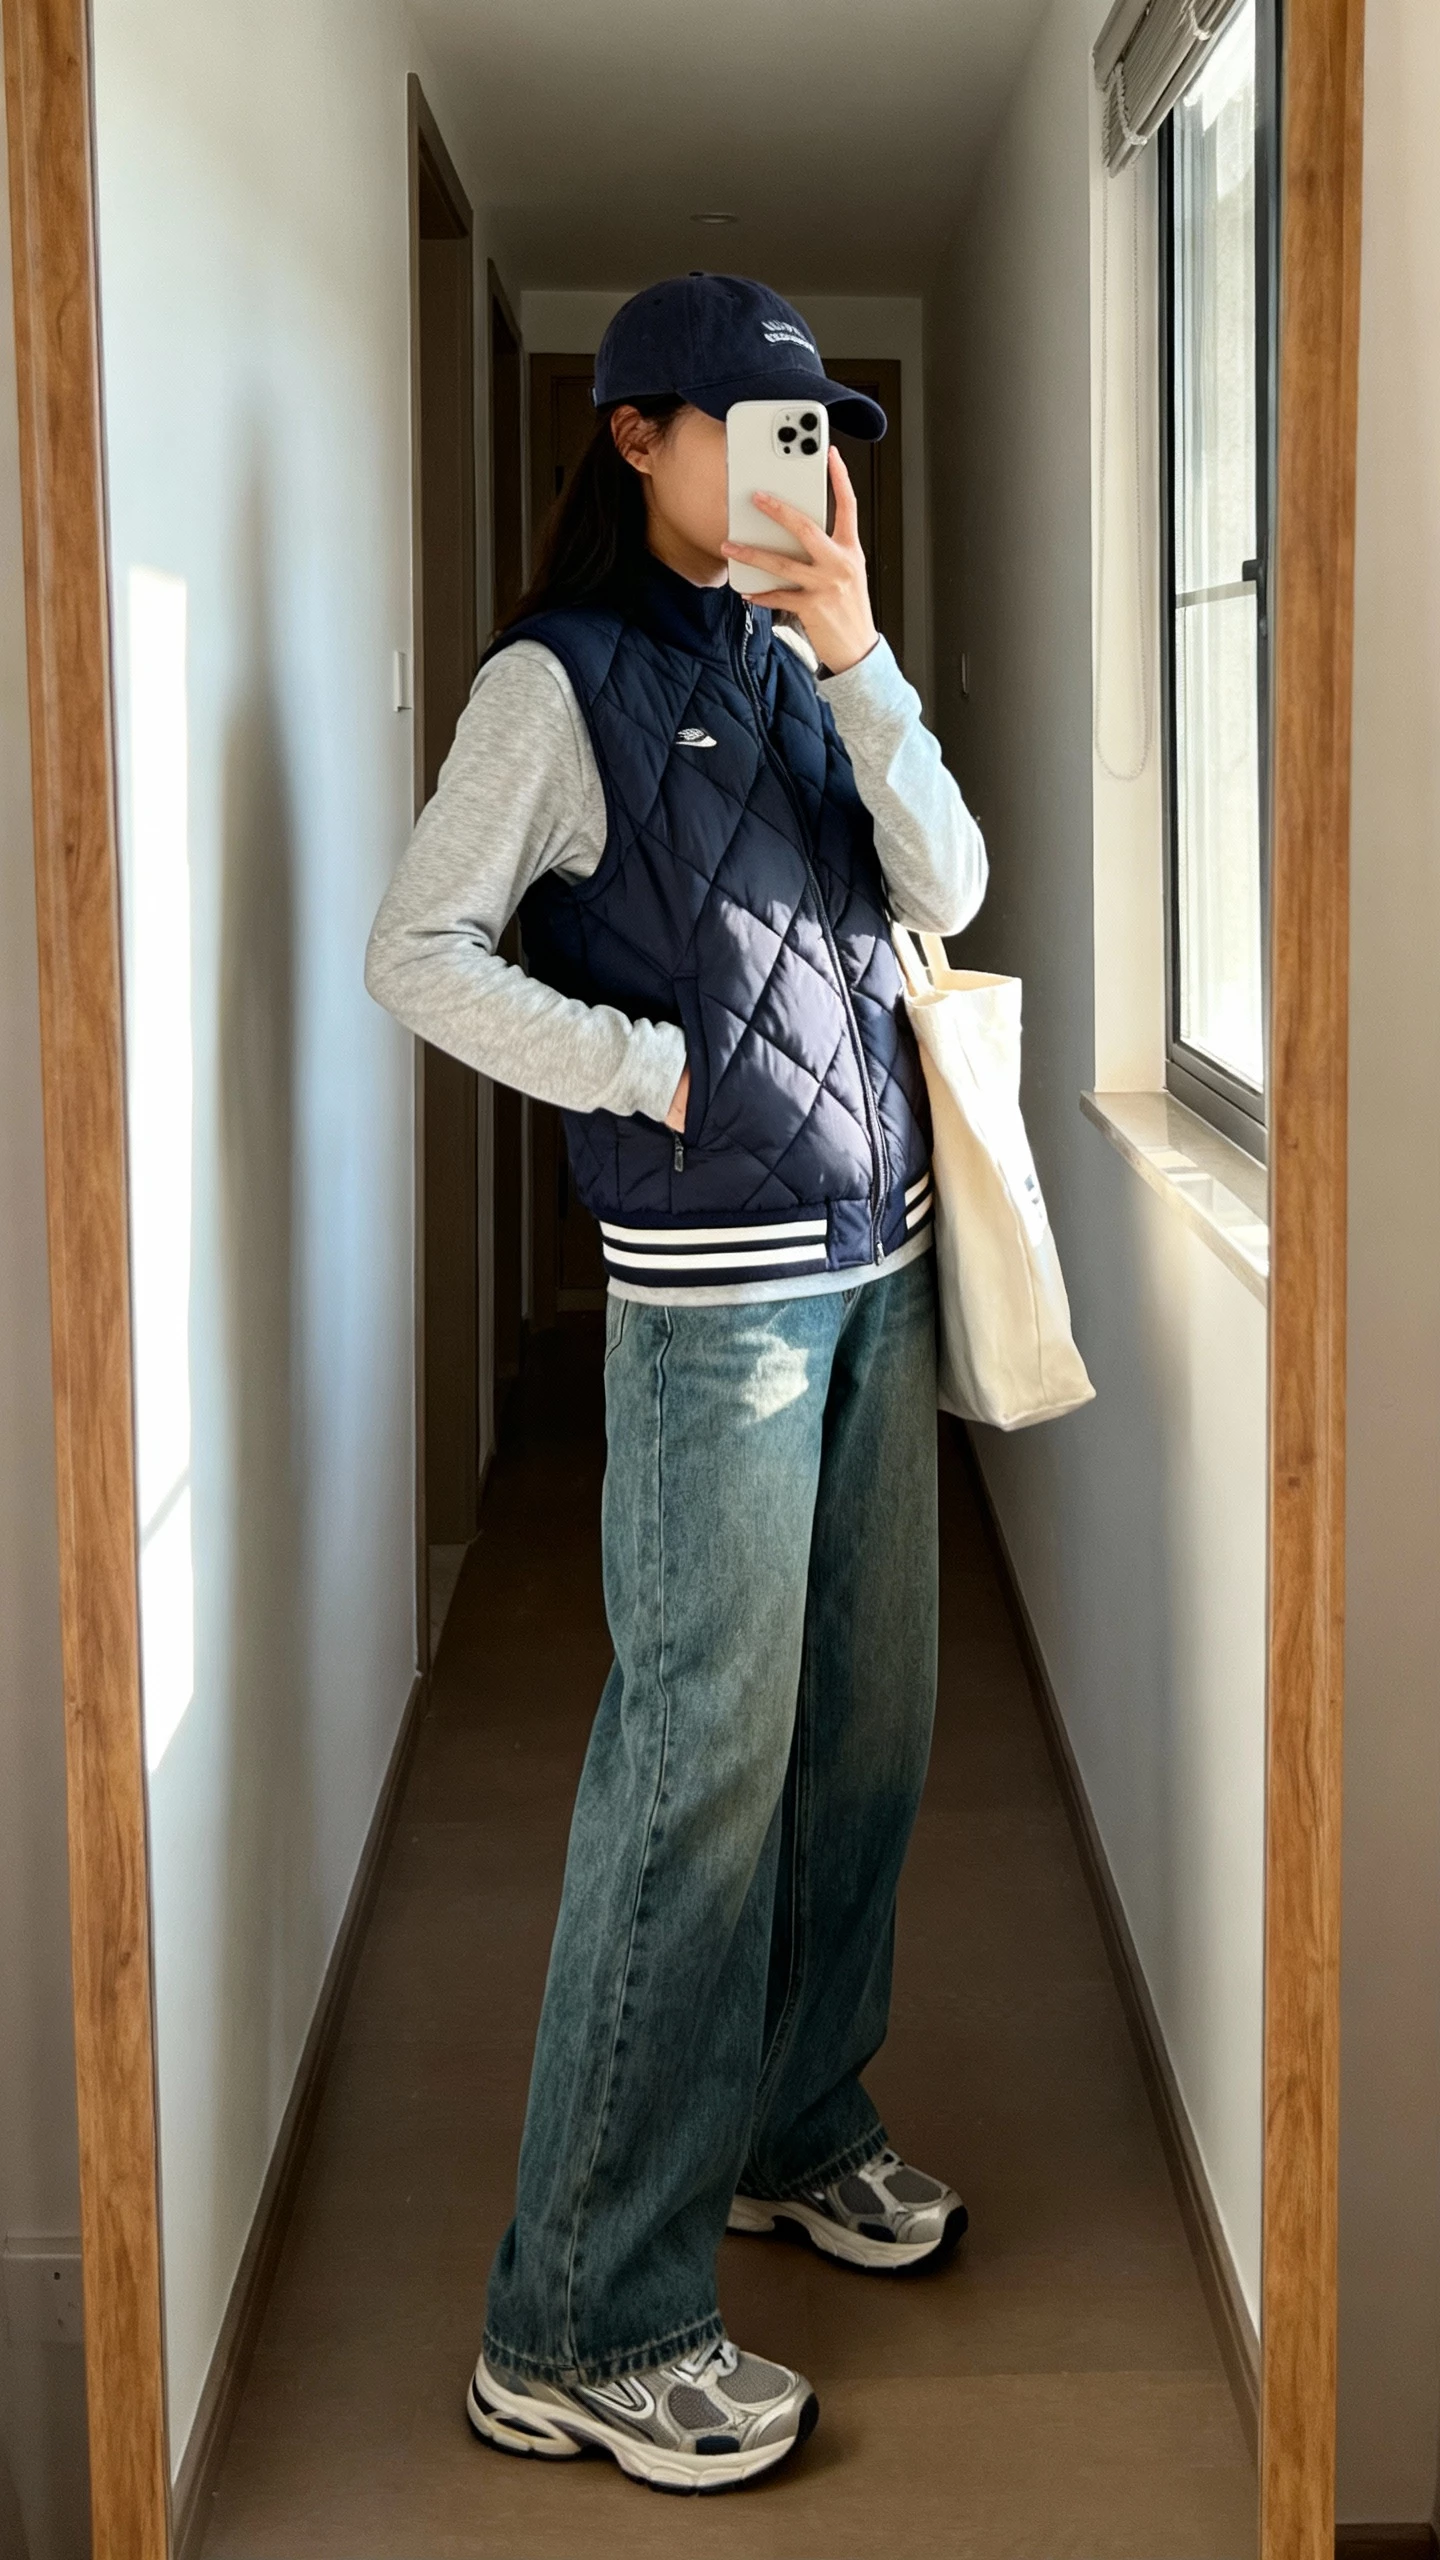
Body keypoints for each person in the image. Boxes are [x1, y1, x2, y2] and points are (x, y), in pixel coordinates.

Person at [364, 270, 987, 2496]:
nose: (800, 468)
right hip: (716, 1305)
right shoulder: (556, 681)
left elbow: (954, 880)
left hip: (880, 1264)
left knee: (867, 1744)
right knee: (694, 1784)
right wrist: (652, 1068)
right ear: (638, 434)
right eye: (757, 426)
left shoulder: (801, 660)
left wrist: (863, 657)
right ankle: (578, 2321)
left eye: (821, 436)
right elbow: (417, 951)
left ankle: (791, 2126)